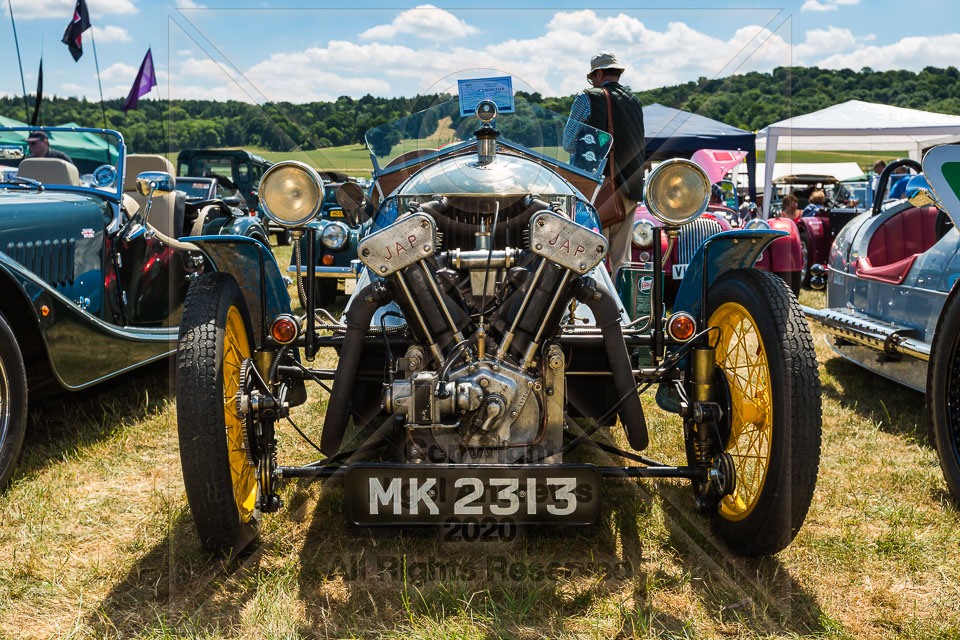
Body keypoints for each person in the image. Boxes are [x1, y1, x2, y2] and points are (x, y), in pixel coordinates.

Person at [563, 52, 645, 276]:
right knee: (623, 263)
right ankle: (624, 309)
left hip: (599, 189)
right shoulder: (635, 101)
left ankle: (595, 310)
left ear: (598, 74)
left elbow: (567, 142)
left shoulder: (587, 98)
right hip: (631, 189)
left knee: (591, 261)